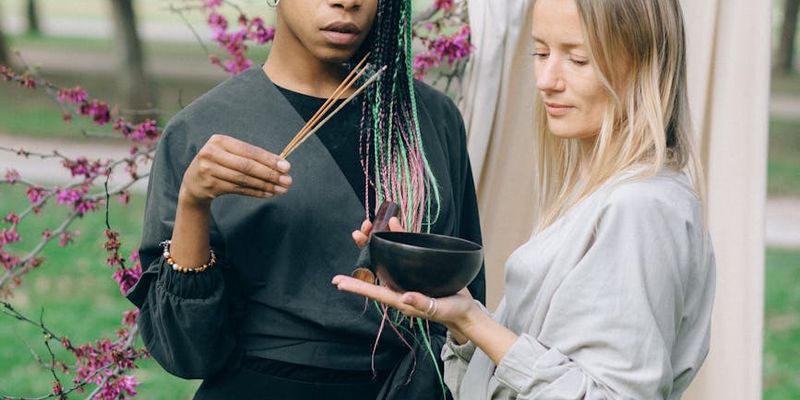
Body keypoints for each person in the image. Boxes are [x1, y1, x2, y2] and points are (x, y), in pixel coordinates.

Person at [333, 0, 716, 398]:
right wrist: (458, 314)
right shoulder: (601, 194)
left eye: (578, 59)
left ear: (644, 63)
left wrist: (477, 324)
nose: (546, 80)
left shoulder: (638, 207)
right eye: (540, 53)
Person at [126, 0, 485, 399]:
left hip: (412, 387)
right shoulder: (204, 131)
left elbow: (468, 298)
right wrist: (194, 202)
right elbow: (188, 353)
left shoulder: (430, 120)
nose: (347, 2)